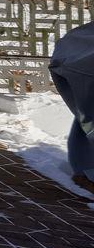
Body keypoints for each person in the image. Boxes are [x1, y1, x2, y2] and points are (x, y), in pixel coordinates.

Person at [48, 22, 94, 193]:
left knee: (85, 117)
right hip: (81, 66)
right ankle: (85, 175)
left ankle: (84, 172)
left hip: (75, 61)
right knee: (87, 118)